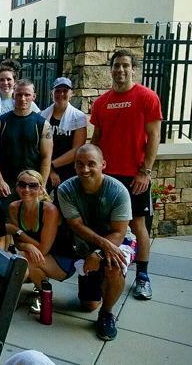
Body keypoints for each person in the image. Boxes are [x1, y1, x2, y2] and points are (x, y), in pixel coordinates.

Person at [90, 50, 162, 301]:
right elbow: (96, 139)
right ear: (110, 69)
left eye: (125, 65)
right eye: (116, 65)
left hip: (134, 175)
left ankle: (142, 276)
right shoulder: (102, 102)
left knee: (137, 224)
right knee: (106, 224)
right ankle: (107, 268)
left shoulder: (147, 97)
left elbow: (154, 136)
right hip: (106, 175)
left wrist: (145, 171)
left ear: (133, 69)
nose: (120, 70)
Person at [58, 144, 137, 341]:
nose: (85, 169)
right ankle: (101, 281)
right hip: (86, 244)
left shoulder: (118, 191)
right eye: (79, 164)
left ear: (103, 165)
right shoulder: (66, 189)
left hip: (120, 241)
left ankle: (107, 314)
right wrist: (99, 248)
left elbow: (119, 232)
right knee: (88, 305)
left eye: (91, 164)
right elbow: (75, 225)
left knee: (113, 265)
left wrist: (100, 253)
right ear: (74, 166)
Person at [6, 170, 76, 314]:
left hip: (61, 258)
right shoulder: (14, 207)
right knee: (25, 258)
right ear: (17, 187)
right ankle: (43, 292)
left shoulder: (49, 210)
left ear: (41, 188)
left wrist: (18, 232)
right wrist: (27, 246)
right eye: (22, 185)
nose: (27, 189)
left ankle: (14, 298)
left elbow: (43, 249)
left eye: (33, 185)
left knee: (24, 258)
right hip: (37, 256)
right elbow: (18, 243)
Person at [0, 79, 53, 214]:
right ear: (13, 96)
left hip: (32, 183)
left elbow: (46, 157)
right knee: (6, 221)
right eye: (19, 94)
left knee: (32, 220)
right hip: (7, 184)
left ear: (33, 96)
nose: (23, 99)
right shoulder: (0, 123)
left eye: (27, 95)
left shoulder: (43, 124)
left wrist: (41, 186)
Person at [39, 77, 87, 203]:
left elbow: (76, 149)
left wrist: (52, 165)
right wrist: (49, 169)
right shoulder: (42, 116)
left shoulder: (78, 117)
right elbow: (38, 145)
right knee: (39, 203)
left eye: (65, 91)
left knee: (64, 205)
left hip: (67, 170)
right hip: (44, 167)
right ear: (52, 93)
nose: (61, 94)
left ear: (71, 93)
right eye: (58, 90)